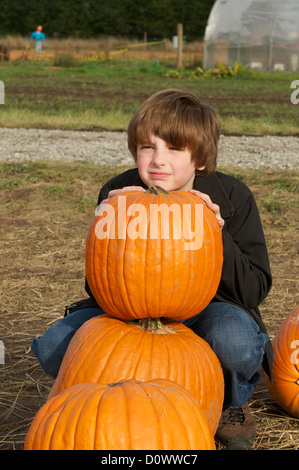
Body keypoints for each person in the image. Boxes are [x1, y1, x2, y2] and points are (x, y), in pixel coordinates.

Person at [31, 89, 272, 450]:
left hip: (209, 308)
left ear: (200, 159)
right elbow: (96, 287)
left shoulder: (233, 198)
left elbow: (255, 288)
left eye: (174, 149)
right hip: (129, 308)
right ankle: (119, 405)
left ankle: (226, 404)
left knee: (235, 343)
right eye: (147, 147)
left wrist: (216, 234)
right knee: (52, 346)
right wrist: (111, 229)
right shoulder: (118, 191)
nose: (158, 160)